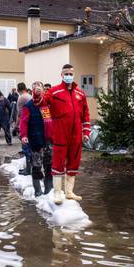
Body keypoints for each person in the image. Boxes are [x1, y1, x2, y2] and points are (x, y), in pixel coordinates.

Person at [43, 64, 90, 205]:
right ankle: (57, 192)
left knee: (74, 160)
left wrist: (86, 131)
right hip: (60, 132)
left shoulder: (80, 94)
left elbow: (86, 115)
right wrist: (38, 93)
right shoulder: (54, 91)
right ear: (62, 75)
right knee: (58, 161)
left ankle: (69, 192)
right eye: (66, 74)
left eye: (71, 73)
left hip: (76, 134)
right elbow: (42, 104)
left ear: (73, 74)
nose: (69, 76)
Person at [20, 81, 53, 197]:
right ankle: (38, 191)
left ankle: (49, 190)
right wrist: (23, 136)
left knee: (49, 165)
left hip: (48, 141)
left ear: (44, 90)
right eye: (35, 88)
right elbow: (23, 122)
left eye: (40, 88)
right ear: (32, 91)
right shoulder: (28, 106)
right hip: (35, 141)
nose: (38, 90)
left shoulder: (48, 105)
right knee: (36, 166)